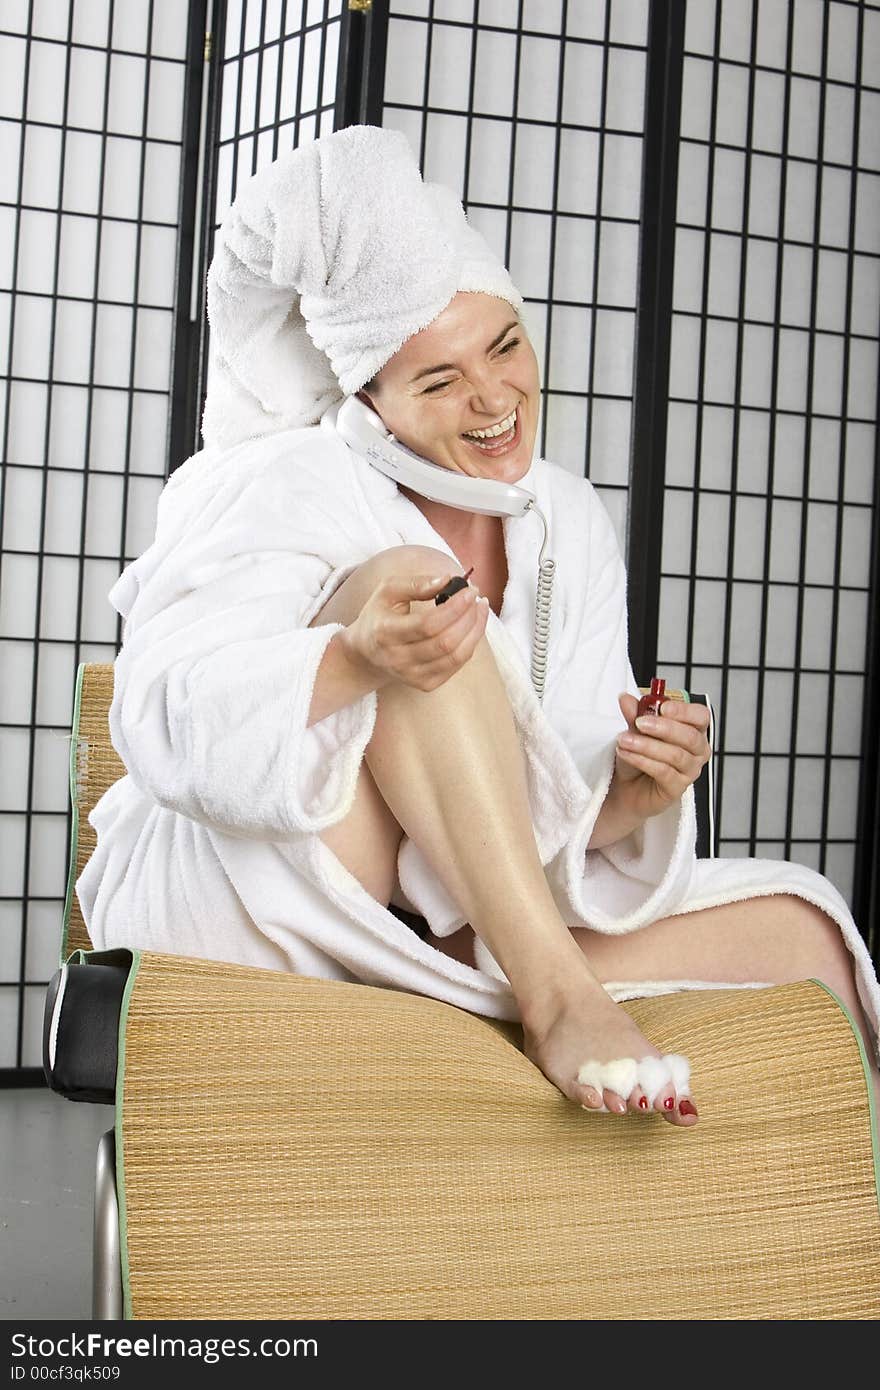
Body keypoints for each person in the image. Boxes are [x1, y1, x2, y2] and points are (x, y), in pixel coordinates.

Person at [76, 126, 880, 1128]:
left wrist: (629, 794)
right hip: (259, 892)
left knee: (804, 937)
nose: (494, 400)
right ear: (368, 399)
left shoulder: (565, 516)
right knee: (425, 591)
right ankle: (558, 1002)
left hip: (459, 912)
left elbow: (547, 805)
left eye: (503, 347)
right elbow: (163, 721)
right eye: (439, 381)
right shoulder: (282, 475)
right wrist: (352, 658)